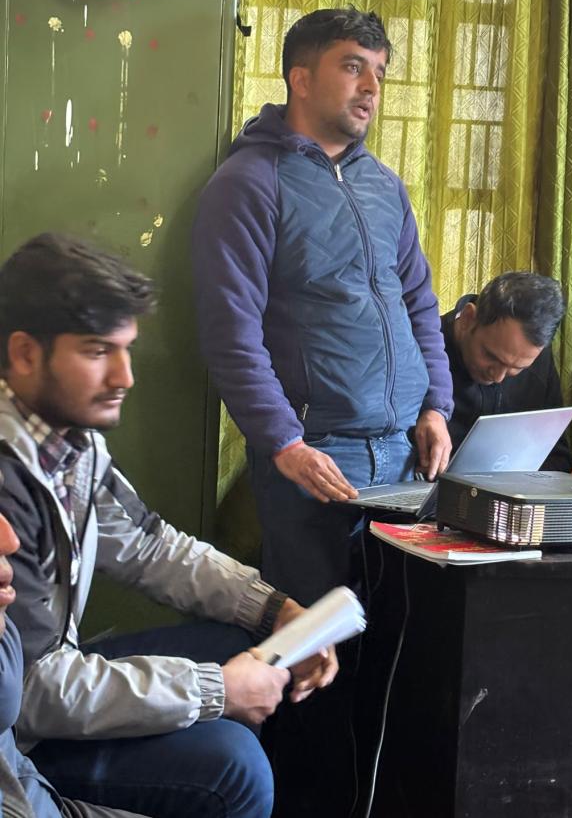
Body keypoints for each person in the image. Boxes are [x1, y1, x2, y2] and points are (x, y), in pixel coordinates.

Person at [0, 232, 338, 818]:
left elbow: (150, 546)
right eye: (98, 352)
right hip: (27, 731)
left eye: (127, 349)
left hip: (57, 674)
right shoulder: (9, 481)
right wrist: (217, 691)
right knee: (236, 771)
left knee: (250, 644)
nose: (125, 376)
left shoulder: (68, 441)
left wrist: (277, 610)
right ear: (26, 354)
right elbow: (26, 691)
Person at [192, 7, 454, 606]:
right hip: (317, 457)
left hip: (406, 455)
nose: (372, 88)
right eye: (353, 67)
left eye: (379, 72)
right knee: (316, 634)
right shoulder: (249, 182)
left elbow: (419, 305)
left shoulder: (384, 185)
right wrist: (284, 443)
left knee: (403, 633)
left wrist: (436, 407)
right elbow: (230, 332)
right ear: (301, 79)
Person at [0, 510, 150, 818]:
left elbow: (147, 537)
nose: (11, 540)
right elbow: (36, 681)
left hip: (41, 798)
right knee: (233, 764)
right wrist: (214, 688)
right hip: (48, 722)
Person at [441, 270, 572, 472]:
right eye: (491, 356)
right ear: (468, 319)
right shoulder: (421, 352)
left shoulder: (534, 356)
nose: (498, 377)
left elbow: (556, 455)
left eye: (517, 368)